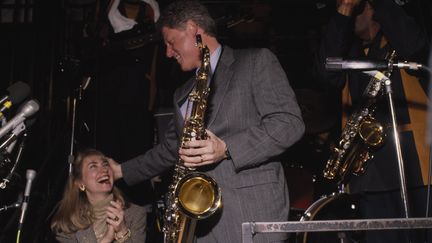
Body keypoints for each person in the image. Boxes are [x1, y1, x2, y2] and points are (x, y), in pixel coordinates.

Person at [109, 1, 305, 242]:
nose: (168, 53)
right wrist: (120, 170)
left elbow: (289, 123)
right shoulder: (181, 94)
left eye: (171, 42)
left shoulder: (255, 62)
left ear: (193, 29)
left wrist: (226, 148)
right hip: (199, 222)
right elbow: (171, 150)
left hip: (250, 210)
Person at [314, 0, 430, 242]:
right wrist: (344, 11)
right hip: (369, 170)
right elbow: (326, 75)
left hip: (415, 167)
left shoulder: (400, 37)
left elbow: (415, 46)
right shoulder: (348, 50)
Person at [51, 149, 147, 243]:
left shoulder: (136, 214)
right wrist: (106, 239)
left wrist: (122, 231)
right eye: (93, 166)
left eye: (105, 164)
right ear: (80, 183)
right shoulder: (67, 224)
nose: (104, 170)